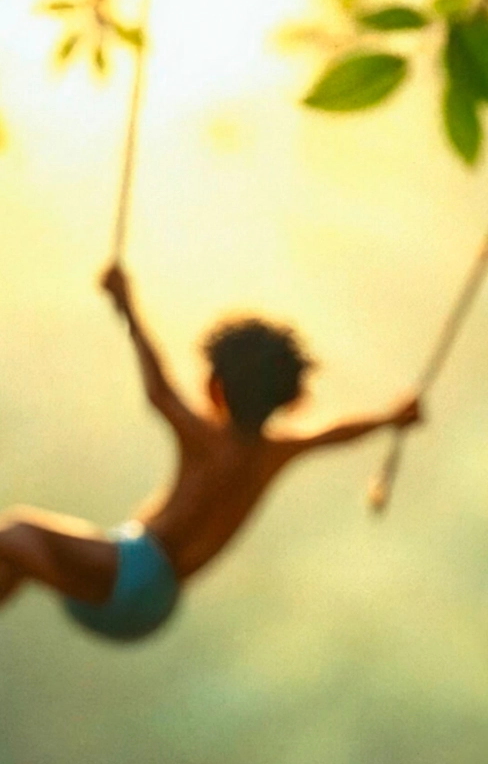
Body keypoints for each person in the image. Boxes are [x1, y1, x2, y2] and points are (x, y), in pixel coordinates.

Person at [0, 265, 421, 641]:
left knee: (15, 533)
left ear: (215, 389)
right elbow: (335, 433)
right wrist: (389, 418)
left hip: (131, 574)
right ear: (290, 400)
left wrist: (127, 306)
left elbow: (159, 390)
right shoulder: (276, 452)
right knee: (14, 561)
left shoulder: (206, 439)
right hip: (154, 606)